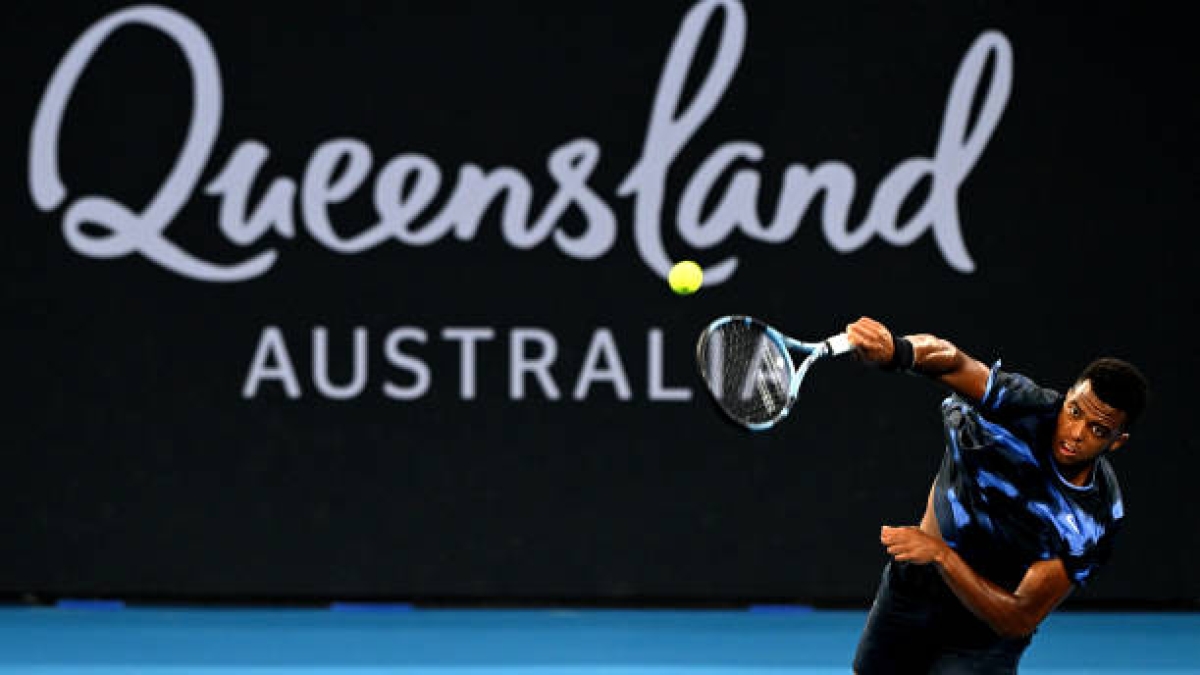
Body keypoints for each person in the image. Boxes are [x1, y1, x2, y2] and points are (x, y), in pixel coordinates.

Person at [845, 316, 1148, 674]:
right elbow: (953, 360)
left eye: (1097, 429)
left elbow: (1019, 618)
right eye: (1074, 411)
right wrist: (899, 350)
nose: (1076, 432)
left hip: (985, 630)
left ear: (1117, 442)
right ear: (1067, 397)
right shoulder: (1020, 405)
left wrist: (942, 556)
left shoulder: (1093, 519)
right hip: (914, 590)